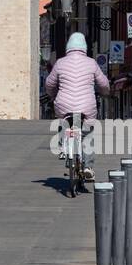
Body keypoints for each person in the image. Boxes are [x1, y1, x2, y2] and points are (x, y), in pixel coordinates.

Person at [45, 32, 111, 178]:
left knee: (63, 121)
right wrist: (105, 92)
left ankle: (63, 146)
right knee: (88, 134)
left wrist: (52, 94)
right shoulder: (91, 63)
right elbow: (104, 84)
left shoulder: (60, 63)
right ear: (84, 48)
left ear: (69, 47)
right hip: (87, 106)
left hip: (64, 104)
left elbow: (49, 84)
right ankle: (88, 166)